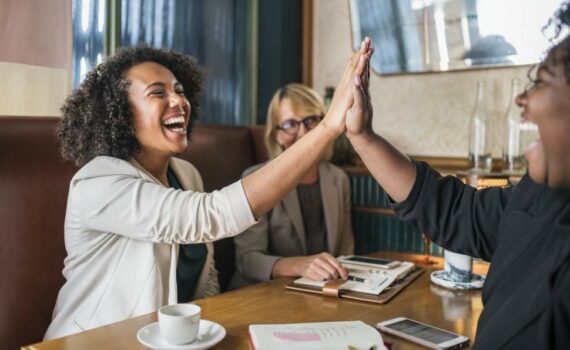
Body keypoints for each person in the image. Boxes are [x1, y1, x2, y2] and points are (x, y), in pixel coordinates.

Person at [45, 40, 373, 340]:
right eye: (158, 93)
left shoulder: (186, 174)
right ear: (119, 114)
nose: (179, 101)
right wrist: (329, 126)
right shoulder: (98, 182)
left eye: (181, 90)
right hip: (91, 342)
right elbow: (210, 216)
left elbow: (207, 277)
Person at [346, 5, 570, 349]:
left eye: (541, 82)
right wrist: (363, 136)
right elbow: (457, 212)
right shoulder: (540, 192)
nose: (522, 99)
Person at [230, 84, 354, 289]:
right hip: (264, 293)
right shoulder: (254, 178)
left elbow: (346, 251)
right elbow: (247, 260)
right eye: (290, 124)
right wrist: (298, 266)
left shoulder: (338, 179)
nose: (303, 132)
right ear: (276, 134)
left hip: (322, 291)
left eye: (310, 120)